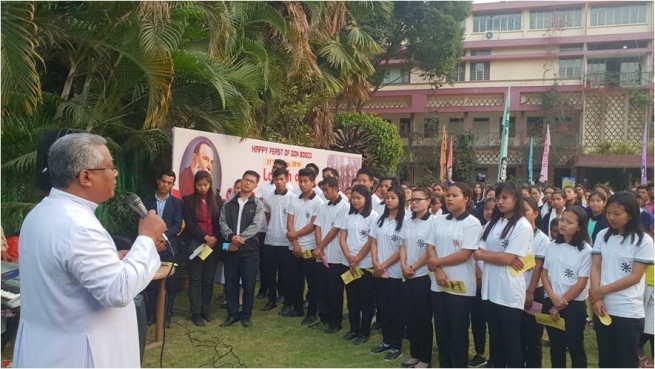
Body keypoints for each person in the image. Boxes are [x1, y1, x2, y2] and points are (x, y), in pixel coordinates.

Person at [13, 133, 165, 367]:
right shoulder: (79, 227)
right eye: (110, 167)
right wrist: (146, 238)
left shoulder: (40, 214)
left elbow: (61, 270)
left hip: (45, 349)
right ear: (85, 176)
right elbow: (118, 290)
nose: (115, 173)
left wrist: (111, 261)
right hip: (77, 355)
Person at [590, 192, 654, 368]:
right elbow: (596, 266)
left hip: (628, 310)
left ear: (631, 214)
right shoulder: (603, 235)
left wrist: (600, 291)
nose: (611, 217)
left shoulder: (643, 240)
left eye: (617, 214)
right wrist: (597, 298)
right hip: (603, 307)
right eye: (609, 212)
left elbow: (635, 277)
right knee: (606, 358)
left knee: (626, 360)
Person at [473, 182, 533, 368]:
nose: (500, 202)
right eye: (498, 197)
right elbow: (476, 251)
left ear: (516, 199)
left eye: (504, 198)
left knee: (510, 340)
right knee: (496, 338)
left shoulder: (522, 226)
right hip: (490, 289)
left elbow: (508, 259)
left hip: (508, 291)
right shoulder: (493, 222)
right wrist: (500, 257)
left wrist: (490, 256)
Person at [426, 182, 482, 368]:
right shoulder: (438, 219)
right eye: (447, 195)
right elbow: (430, 246)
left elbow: (465, 254)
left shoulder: (472, 223)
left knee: (458, 330)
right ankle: (444, 364)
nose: (449, 198)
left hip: (461, 286)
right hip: (438, 283)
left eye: (455, 195)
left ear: (466, 198)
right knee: (441, 329)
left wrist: (437, 263)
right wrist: (438, 270)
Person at [541, 206, 593, 368]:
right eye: (562, 220)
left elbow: (581, 282)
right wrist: (553, 298)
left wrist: (560, 303)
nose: (563, 224)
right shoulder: (551, 246)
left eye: (569, 222)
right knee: (556, 347)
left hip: (573, 305)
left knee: (575, 346)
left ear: (579, 227)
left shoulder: (585, 250)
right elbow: (544, 273)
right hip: (551, 301)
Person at [219, 170, 266, 328]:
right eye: (246, 179)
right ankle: (232, 314)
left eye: (251, 181)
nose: (247, 183)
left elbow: (256, 226)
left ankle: (246, 315)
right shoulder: (229, 203)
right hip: (231, 250)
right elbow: (222, 222)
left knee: (249, 284)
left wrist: (239, 240)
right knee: (231, 283)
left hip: (249, 252)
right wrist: (231, 236)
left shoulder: (258, 205)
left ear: (255, 185)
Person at [369, 185, 406, 361]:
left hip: (395, 272)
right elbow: (373, 242)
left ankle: (396, 345)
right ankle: (386, 340)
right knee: (383, 307)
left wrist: (384, 264)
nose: (389, 200)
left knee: (396, 309)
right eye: (388, 197)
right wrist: (376, 263)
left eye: (393, 198)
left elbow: (401, 249)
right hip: (379, 271)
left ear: (400, 200)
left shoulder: (405, 221)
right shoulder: (380, 219)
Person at [338, 185, 378, 346]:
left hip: (365, 264)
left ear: (366, 199)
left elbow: (371, 241)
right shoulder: (348, 215)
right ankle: (353, 329)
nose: (354, 201)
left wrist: (358, 258)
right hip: (348, 263)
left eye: (358, 198)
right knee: (352, 298)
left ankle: (364, 331)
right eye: (353, 197)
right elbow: (342, 237)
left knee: (366, 299)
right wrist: (349, 257)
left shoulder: (373, 216)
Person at [399, 187, 434, 369]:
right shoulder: (407, 220)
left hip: (422, 276)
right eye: (412, 199)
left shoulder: (433, 223)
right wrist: (404, 265)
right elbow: (403, 245)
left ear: (428, 201)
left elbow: (429, 251)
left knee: (423, 318)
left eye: (418, 199)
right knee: (410, 316)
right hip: (407, 274)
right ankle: (415, 354)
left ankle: (425, 358)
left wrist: (413, 267)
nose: (414, 202)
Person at [182, 170, 222, 326]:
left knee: (208, 279)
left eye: (205, 185)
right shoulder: (189, 200)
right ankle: (196, 313)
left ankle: (205, 311)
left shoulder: (217, 200)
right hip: (196, 243)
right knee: (195, 280)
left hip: (213, 245)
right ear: (195, 185)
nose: (202, 188)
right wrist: (205, 238)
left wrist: (214, 238)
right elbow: (190, 224)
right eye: (199, 185)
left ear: (210, 184)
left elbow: (220, 222)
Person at [144, 170, 183, 328]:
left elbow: (176, 225)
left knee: (169, 284)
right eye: (163, 181)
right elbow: (142, 224)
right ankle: (152, 314)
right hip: (151, 247)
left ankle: (166, 314)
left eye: (169, 183)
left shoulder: (176, 203)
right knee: (152, 283)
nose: (165, 185)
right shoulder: (146, 202)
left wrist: (162, 238)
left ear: (173, 185)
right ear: (158, 181)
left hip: (169, 247)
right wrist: (154, 240)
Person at [286, 168, 324, 326]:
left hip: (310, 247)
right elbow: (290, 221)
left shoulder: (318, 202)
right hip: (294, 247)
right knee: (295, 279)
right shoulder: (294, 199)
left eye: (306, 181)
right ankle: (297, 308)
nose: (302, 184)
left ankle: (312, 313)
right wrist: (294, 243)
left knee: (312, 282)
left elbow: (313, 225)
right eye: (300, 181)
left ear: (313, 182)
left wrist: (295, 235)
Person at [313, 177, 350, 333]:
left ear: (336, 188)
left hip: (335, 255)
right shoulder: (323, 206)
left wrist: (320, 247)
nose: (325, 193)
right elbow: (318, 226)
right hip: (321, 254)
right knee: (321, 287)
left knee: (334, 289)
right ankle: (324, 316)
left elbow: (335, 230)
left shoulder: (344, 207)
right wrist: (319, 249)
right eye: (323, 190)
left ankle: (335, 321)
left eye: (327, 190)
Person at [257, 159, 293, 301]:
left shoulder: (293, 198)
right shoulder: (269, 197)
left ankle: (283, 295)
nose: (279, 182)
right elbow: (268, 215)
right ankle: (271, 297)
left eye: (282, 179)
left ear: (287, 179)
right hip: (270, 239)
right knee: (269, 271)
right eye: (276, 179)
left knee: (285, 271)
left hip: (285, 241)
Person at [522, 196, 550, 368]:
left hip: (534, 292)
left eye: (525, 210)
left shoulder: (541, 239)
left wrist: (530, 292)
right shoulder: (515, 234)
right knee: (517, 334)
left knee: (532, 335)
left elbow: (538, 269)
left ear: (536, 213)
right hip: (515, 290)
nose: (521, 214)